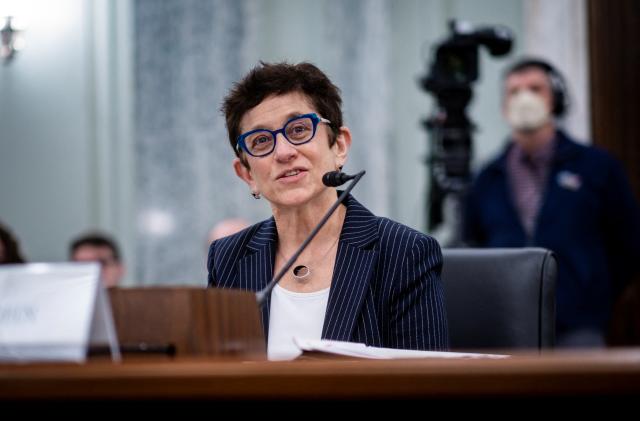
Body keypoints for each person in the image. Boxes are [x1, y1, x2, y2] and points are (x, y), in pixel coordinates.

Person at [208, 61, 448, 360]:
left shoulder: (404, 253)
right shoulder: (228, 258)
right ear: (247, 174)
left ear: (340, 147)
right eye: (260, 141)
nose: (283, 152)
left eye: (298, 129)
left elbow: (426, 389)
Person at [463, 58, 640, 347]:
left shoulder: (596, 167)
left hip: (579, 327)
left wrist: (593, 293)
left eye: (535, 88)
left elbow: (628, 244)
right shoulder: (487, 178)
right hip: (505, 328)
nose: (524, 98)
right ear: (504, 106)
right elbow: (474, 244)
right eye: (514, 91)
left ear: (555, 99)